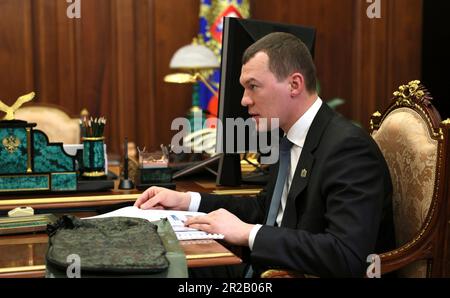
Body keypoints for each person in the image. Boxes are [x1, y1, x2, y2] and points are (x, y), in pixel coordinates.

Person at [135, 32, 395, 277]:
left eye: (253, 86)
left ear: (294, 84)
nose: (244, 100)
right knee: (154, 267)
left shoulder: (347, 148)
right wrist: (187, 201)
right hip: (268, 265)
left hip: (295, 273)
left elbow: (346, 256)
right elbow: (265, 209)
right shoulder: (290, 137)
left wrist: (250, 234)